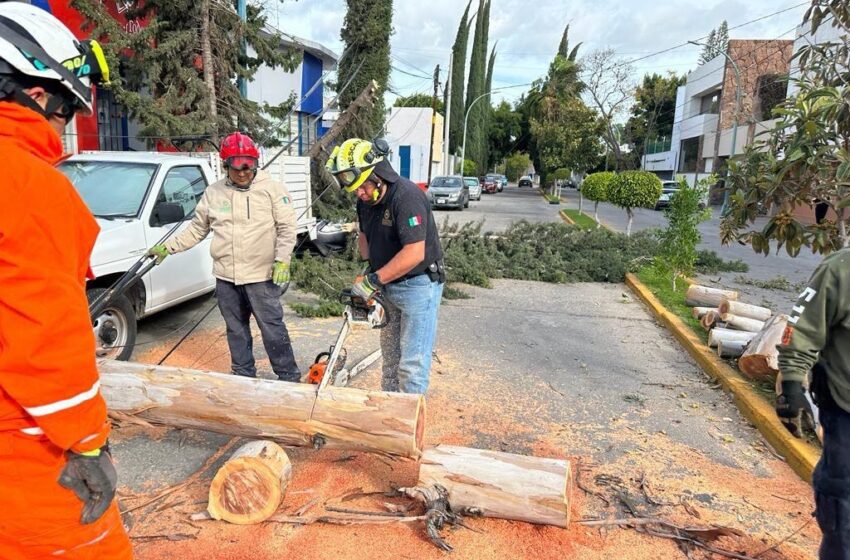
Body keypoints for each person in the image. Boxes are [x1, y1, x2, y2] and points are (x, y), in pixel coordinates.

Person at [0, 3, 132, 558]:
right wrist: (87, 441)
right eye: (65, 113)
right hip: (22, 452)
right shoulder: (29, 184)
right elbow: (47, 336)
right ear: (36, 96)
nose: (64, 130)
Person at [149, 131, 301, 381]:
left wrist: (282, 259)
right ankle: (243, 375)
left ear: (255, 163)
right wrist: (168, 247)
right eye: (236, 167)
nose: (243, 173)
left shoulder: (273, 189)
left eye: (248, 167)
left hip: (261, 276)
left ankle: (288, 377)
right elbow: (197, 229)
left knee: (272, 328)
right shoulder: (214, 193)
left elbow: (287, 228)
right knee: (236, 330)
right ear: (225, 165)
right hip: (226, 277)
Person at [326, 138, 445, 394]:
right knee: (390, 359)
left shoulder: (407, 197)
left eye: (363, 187)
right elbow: (364, 236)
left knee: (412, 364)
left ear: (378, 175)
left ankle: (405, 428)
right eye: (355, 189)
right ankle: (387, 415)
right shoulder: (364, 202)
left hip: (418, 285)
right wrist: (369, 271)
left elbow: (414, 253)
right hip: (387, 284)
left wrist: (374, 280)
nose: (359, 193)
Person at [777, 248, 850, 560]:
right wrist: (791, 384)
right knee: (842, 506)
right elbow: (803, 327)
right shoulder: (840, 270)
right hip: (845, 410)